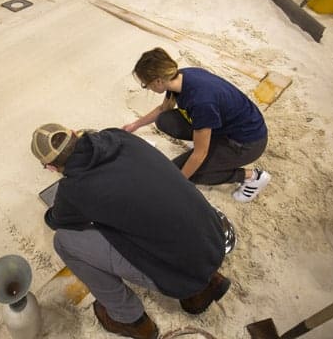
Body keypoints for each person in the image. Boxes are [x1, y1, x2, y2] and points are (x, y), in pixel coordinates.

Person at [30, 123, 229, 339]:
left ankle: (130, 319)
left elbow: (55, 220)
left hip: (180, 269)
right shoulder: (116, 136)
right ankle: (206, 284)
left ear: (50, 167)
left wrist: (66, 207)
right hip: (213, 238)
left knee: (64, 241)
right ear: (74, 133)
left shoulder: (74, 190)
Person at [123, 47, 271, 202]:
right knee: (164, 120)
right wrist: (135, 125)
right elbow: (163, 109)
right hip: (227, 126)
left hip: (246, 143)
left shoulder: (201, 102)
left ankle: (253, 177)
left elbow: (199, 154)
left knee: (185, 173)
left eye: (146, 85)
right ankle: (210, 145)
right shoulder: (181, 77)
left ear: (158, 81)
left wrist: (176, 184)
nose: (147, 88)